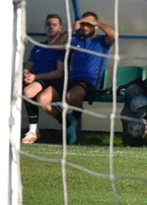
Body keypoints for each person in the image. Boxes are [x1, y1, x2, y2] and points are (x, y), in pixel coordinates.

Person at [37, 11, 116, 145]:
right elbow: (55, 46)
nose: (85, 27)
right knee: (42, 99)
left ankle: (75, 117)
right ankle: (68, 121)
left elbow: (115, 35)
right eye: (83, 24)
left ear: (95, 27)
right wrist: (72, 29)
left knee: (71, 96)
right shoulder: (76, 41)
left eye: (89, 24)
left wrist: (97, 23)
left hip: (89, 82)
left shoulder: (102, 41)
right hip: (71, 79)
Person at [21, 14, 66, 144]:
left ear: (60, 28)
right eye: (48, 24)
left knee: (27, 92)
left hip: (52, 81)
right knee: (15, 88)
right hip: (36, 79)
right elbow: (29, 66)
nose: (50, 27)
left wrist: (35, 77)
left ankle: (33, 130)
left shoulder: (60, 49)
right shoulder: (38, 47)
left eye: (54, 25)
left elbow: (59, 73)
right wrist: (26, 73)